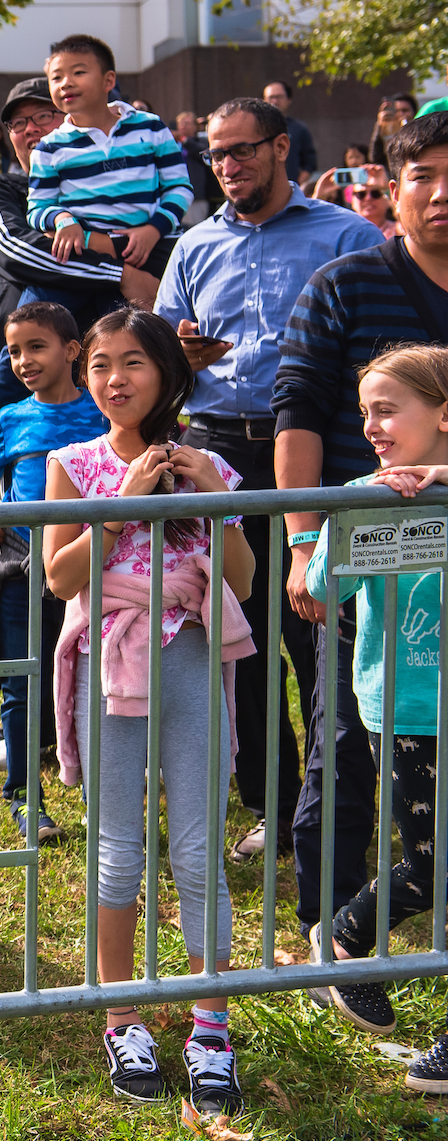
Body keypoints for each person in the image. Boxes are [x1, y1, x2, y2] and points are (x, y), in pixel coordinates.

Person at [154, 95, 385, 868]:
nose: (228, 166)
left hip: (320, 451)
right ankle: (277, 809)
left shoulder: (347, 236)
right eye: (216, 154)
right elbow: (163, 343)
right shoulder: (191, 247)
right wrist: (178, 352)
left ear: (281, 147)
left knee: (321, 633)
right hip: (217, 451)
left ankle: (337, 806)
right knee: (239, 638)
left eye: (243, 150)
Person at [43, 308, 253, 1115]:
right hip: (109, 659)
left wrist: (210, 497)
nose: (115, 379)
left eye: (133, 362)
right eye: (99, 364)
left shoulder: (213, 465)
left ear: (167, 371)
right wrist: (125, 503)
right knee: (117, 846)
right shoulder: (74, 462)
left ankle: (211, 1028)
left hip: (193, 654)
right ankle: (121, 1016)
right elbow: (61, 580)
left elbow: (240, 578)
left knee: (200, 848)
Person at [274, 111, 448, 953]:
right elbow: (298, 415)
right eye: (424, 175)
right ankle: (335, 941)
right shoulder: (343, 284)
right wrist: (306, 542)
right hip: (365, 561)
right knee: (341, 745)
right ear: (392, 185)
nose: (441, 192)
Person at [0, 78, 151, 448]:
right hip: (17, 397)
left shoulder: (114, 191)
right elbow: (19, 251)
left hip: (104, 393)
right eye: (18, 123)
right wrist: (119, 274)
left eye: (44, 115)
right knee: (18, 501)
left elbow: (151, 250)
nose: (31, 129)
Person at [0, 300, 108, 836]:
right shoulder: (10, 417)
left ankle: (101, 798)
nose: (23, 360)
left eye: (36, 347)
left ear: (73, 351)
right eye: (13, 351)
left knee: (91, 686)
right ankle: (26, 797)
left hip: (89, 570)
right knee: (24, 682)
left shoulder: (102, 414)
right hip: (22, 568)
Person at [28, 35, 192, 280]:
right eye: (56, 77)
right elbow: (37, 208)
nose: (66, 83)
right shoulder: (49, 148)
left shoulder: (150, 127)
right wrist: (63, 220)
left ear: (108, 80)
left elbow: (179, 187)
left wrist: (154, 229)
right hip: (88, 255)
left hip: (155, 246)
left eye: (78, 72)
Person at [262, 82, 319, 184]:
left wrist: (297, 183)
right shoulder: (256, 128)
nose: (274, 101)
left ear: (289, 99)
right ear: (263, 100)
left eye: (279, 97)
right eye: (271, 97)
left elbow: (310, 162)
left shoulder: (299, 128)